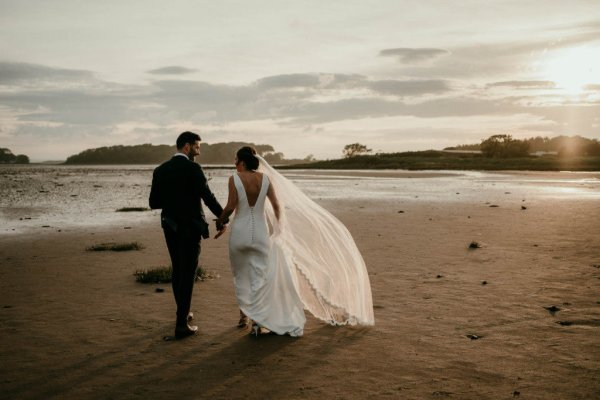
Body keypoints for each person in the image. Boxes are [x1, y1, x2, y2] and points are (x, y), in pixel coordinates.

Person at [216, 147, 374, 337]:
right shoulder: (266, 179)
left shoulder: (234, 179)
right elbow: (277, 206)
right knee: (259, 277)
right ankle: (257, 322)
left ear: (242, 162)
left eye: (235, 161)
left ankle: (244, 316)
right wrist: (280, 229)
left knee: (241, 275)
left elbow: (231, 206)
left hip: (240, 234)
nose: (234, 164)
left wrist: (220, 220)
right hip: (260, 234)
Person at [149, 131, 226, 339]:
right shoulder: (193, 168)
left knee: (178, 269)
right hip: (190, 227)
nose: (199, 151)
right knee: (188, 272)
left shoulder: (160, 170)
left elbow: (153, 203)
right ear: (186, 147)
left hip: (169, 225)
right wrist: (223, 217)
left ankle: (183, 313)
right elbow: (207, 196)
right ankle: (181, 325)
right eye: (197, 147)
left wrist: (173, 201)